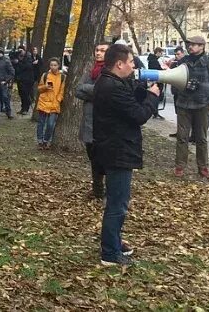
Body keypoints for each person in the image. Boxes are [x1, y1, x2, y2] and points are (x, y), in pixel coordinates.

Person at [93, 43, 159, 267]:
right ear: (119, 64)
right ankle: (110, 254)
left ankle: (114, 242)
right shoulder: (112, 87)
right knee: (117, 204)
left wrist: (141, 89)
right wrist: (152, 96)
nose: (133, 66)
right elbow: (139, 115)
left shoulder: (110, 82)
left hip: (115, 148)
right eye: (131, 62)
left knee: (117, 201)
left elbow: (129, 103)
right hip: (117, 150)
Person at [172, 36, 209, 179]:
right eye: (189, 45)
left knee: (201, 138)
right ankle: (180, 166)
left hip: (202, 104)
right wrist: (178, 92)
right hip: (184, 104)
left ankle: (203, 167)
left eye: (194, 45)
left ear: (202, 46)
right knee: (182, 137)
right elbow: (174, 80)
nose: (190, 47)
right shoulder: (183, 62)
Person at [75, 42, 109, 199]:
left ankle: (110, 189)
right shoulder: (91, 71)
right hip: (89, 121)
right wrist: (96, 91)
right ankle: (97, 190)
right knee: (93, 157)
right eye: (97, 50)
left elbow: (108, 92)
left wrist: (92, 91)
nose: (98, 53)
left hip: (105, 122)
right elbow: (77, 90)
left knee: (107, 159)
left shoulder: (110, 71)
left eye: (102, 50)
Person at [35, 58, 65, 148]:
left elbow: (62, 91)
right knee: (41, 122)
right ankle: (40, 140)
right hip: (44, 102)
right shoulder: (45, 75)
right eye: (51, 65)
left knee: (51, 124)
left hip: (54, 104)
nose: (53, 67)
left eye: (55, 65)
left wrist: (58, 100)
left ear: (58, 65)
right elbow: (39, 88)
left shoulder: (62, 77)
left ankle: (46, 140)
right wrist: (45, 87)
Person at [167, 46, 186, 138]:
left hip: (183, 92)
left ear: (183, 53)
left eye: (178, 54)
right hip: (176, 92)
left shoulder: (186, 64)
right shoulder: (174, 64)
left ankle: (190, 133)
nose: (176, 56)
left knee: (186, 114)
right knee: (178, 113)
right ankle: (179, 131)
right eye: (175, 54)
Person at [14, 49, 35, 114]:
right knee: (21, 94)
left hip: (27, 79)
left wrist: (19, 62)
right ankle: (23, 108)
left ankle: (26, 108)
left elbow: (27, 67)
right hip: (20, 79)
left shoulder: (28, 58)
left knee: (26, 94)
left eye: (21, 50)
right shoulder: (18, 57)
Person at [147, 47, 166, 119]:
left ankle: (155, 112)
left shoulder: (153, 59)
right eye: (161, 53)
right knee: (156, 96)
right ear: (158, 52)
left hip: (155, 80)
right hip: (156, 80)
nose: (162, 54)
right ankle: (155, 112)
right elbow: (156, 70)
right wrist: (162, 69)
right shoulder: (153, 60)